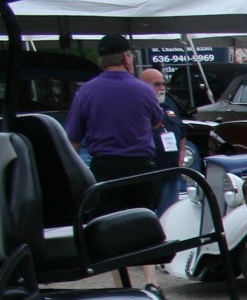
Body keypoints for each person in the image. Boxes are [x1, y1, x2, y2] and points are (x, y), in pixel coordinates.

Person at [65, 34, 164, 214]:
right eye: (130, 55)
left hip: (104, 170)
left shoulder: (86, 91)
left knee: (109, 225)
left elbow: (74, 138)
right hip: (140, 169)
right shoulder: (144, 90)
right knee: (143, 223)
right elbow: (157, 123)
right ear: (125, 57)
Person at [138, 67, 190, 214]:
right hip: (151, 169)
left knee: (170, 212)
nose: (161, 88)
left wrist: (181, 150)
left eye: (163, 84)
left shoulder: (169, 105)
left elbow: (181, 129)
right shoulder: (139, 106)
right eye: (156, 84)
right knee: (149, 212)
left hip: (171, 169)